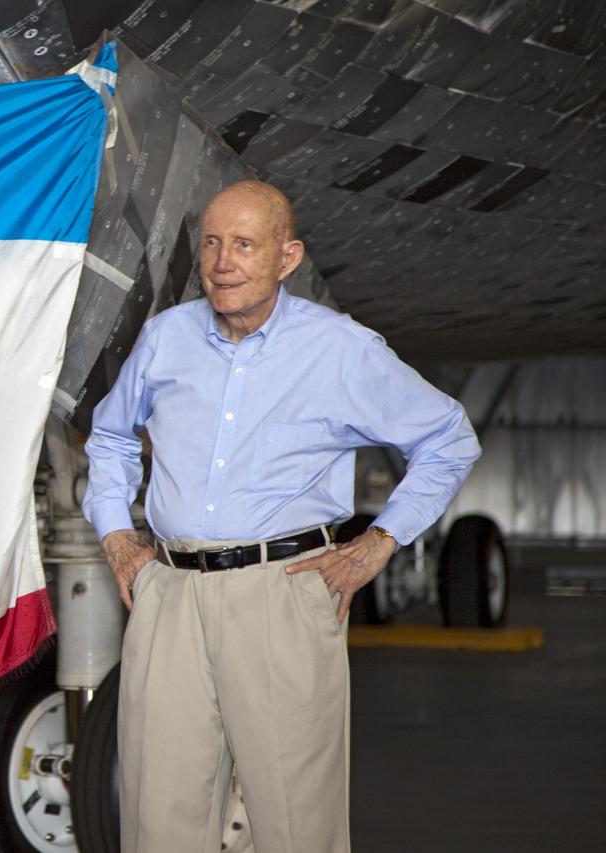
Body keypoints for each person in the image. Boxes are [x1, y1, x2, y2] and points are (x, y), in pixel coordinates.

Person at [81, 179, 480, 853]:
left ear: (286, 257)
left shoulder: (341, 349)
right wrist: (118, 536)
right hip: (170, 597)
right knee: (156, 818)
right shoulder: (165, 339)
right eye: (210, 242)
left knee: (298, 824)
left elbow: (448, 440)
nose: (222, 261)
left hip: (281, 595)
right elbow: (112, 437)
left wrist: (377, 544)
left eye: (243, 244)